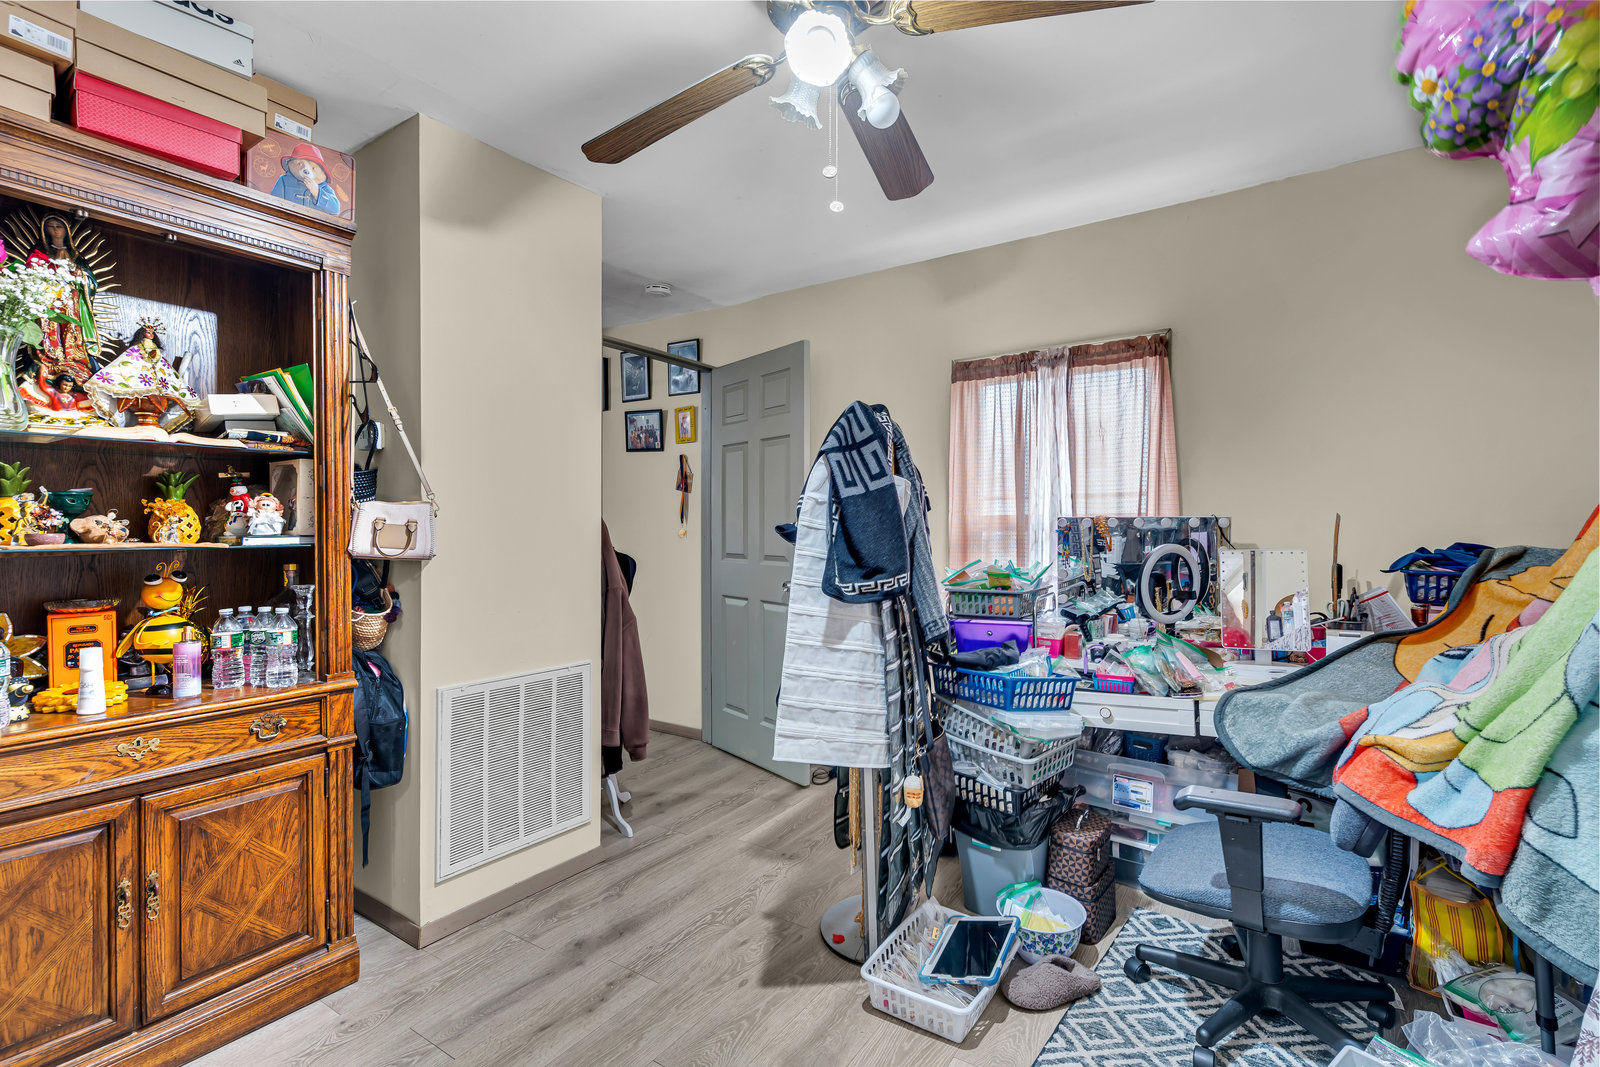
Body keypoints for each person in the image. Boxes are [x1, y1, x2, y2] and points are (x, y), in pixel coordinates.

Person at [269, 143, 342, 215]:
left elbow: (335, 209)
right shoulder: (284, 181)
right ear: (291, 163)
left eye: (313, 168)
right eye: (300, 164)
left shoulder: (324, 187)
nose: (306, 170)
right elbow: (273, 202)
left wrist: (317, 192)